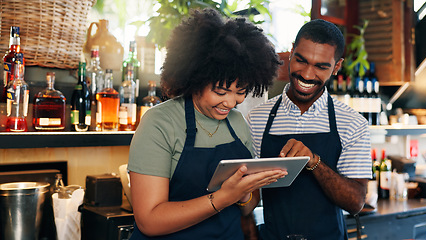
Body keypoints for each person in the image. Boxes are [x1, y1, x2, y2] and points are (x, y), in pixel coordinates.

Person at [127, 8, 285, 239]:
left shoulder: (237, 123)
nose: (230, 103)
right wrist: (223, 197)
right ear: (195, 78)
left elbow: (248, 207)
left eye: (240, 92)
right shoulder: (160, 122)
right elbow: (149, 220)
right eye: (221, 91)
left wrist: (245, 194)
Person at [247, 19, 372, 240]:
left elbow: (356, 203)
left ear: (336, 66)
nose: (306, 74)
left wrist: (314, 162)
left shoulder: (352, 123)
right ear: (292, 52)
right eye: (301, 60)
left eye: (321, 66)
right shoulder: (257, 118)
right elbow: (248, 199)